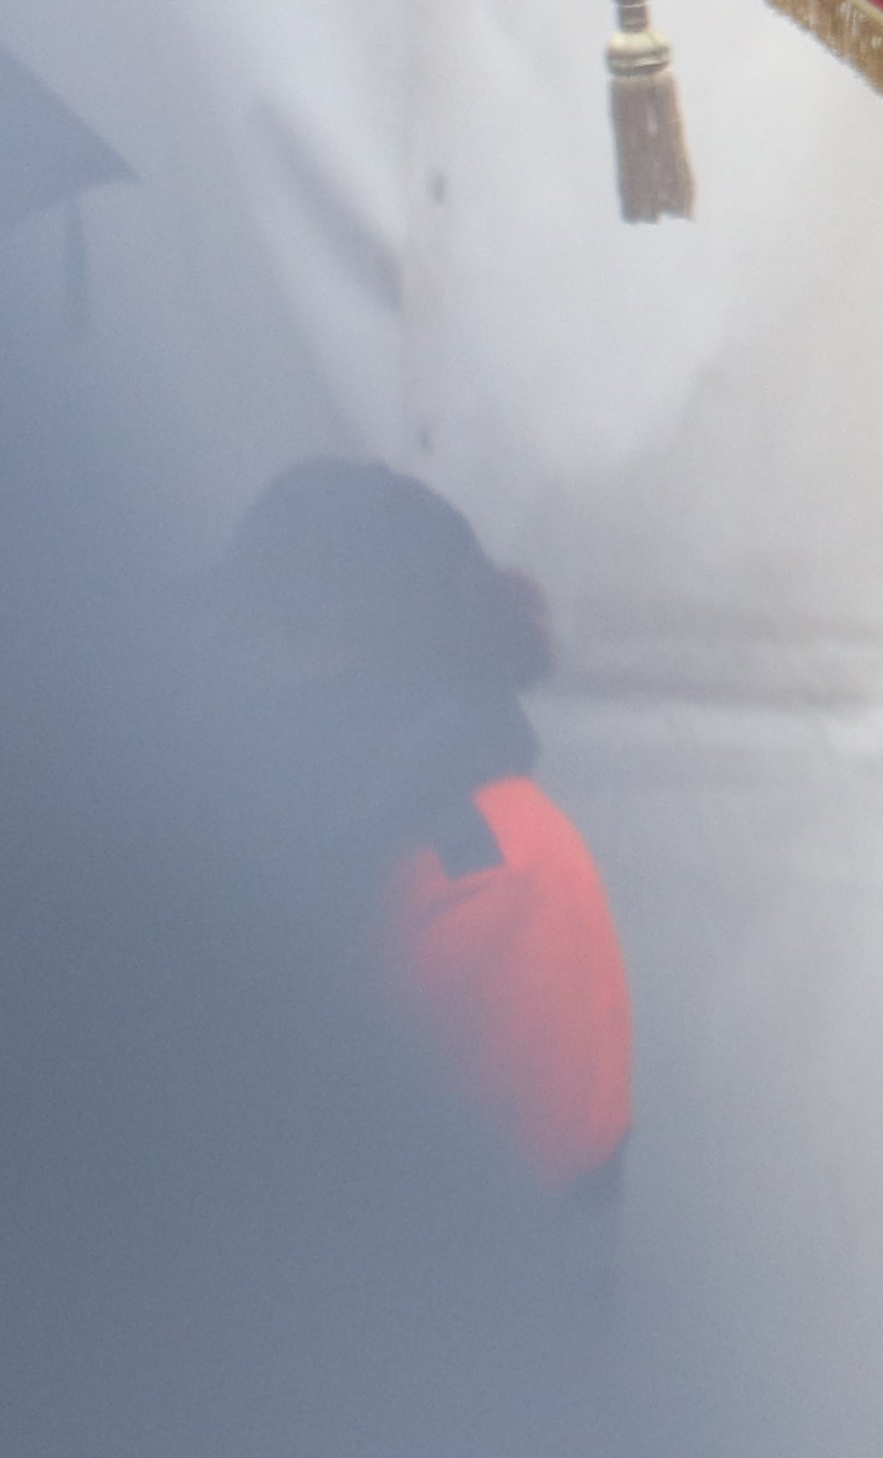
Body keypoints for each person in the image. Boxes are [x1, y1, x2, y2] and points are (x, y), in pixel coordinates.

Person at [204, 459, 637, 1207]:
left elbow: (400, 1209)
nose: (238, 674)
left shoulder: (487, 867)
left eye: (271, 636)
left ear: (361, 660)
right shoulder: (353, 825)